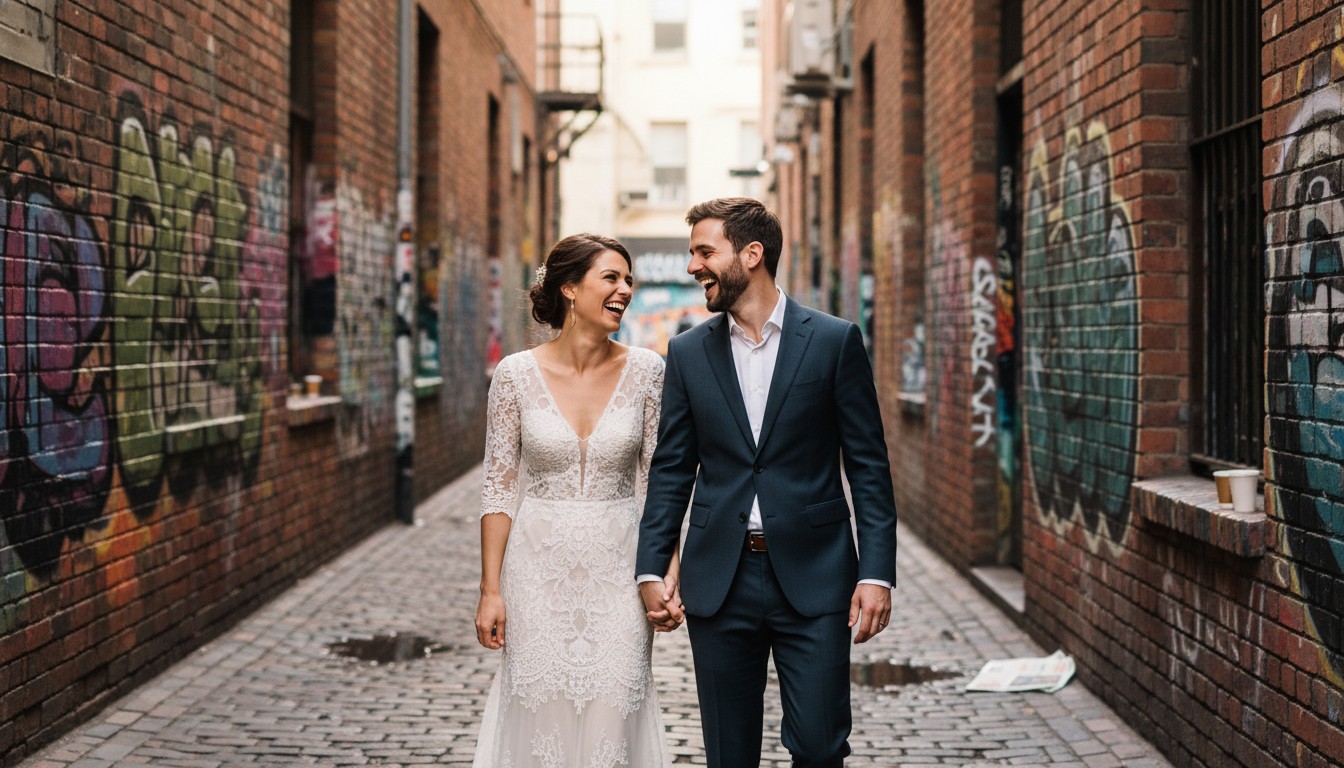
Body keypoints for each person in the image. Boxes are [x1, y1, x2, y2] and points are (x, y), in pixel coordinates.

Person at [636, 198, 898, 768]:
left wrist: (876, 572)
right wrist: (653, 564)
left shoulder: (833, 341)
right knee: (729, 755)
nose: (692, 267)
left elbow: (869, 466)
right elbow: (672, 468)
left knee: (820, 745)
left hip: (817, 576)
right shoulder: (686, 353)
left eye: (705, 252)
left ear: (752, 254)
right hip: (719, 579)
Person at [473, 234, 676, 767]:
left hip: (619, 572)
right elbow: (497, 487)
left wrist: (666, 571)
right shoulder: (514, 375)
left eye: (629, 280)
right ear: (569, 287)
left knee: (615, 719)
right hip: (537, 575)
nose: (625, 290)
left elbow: (660, 483)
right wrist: (491, 591)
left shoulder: (650, 371)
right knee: (543, 722)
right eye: (611, 278)